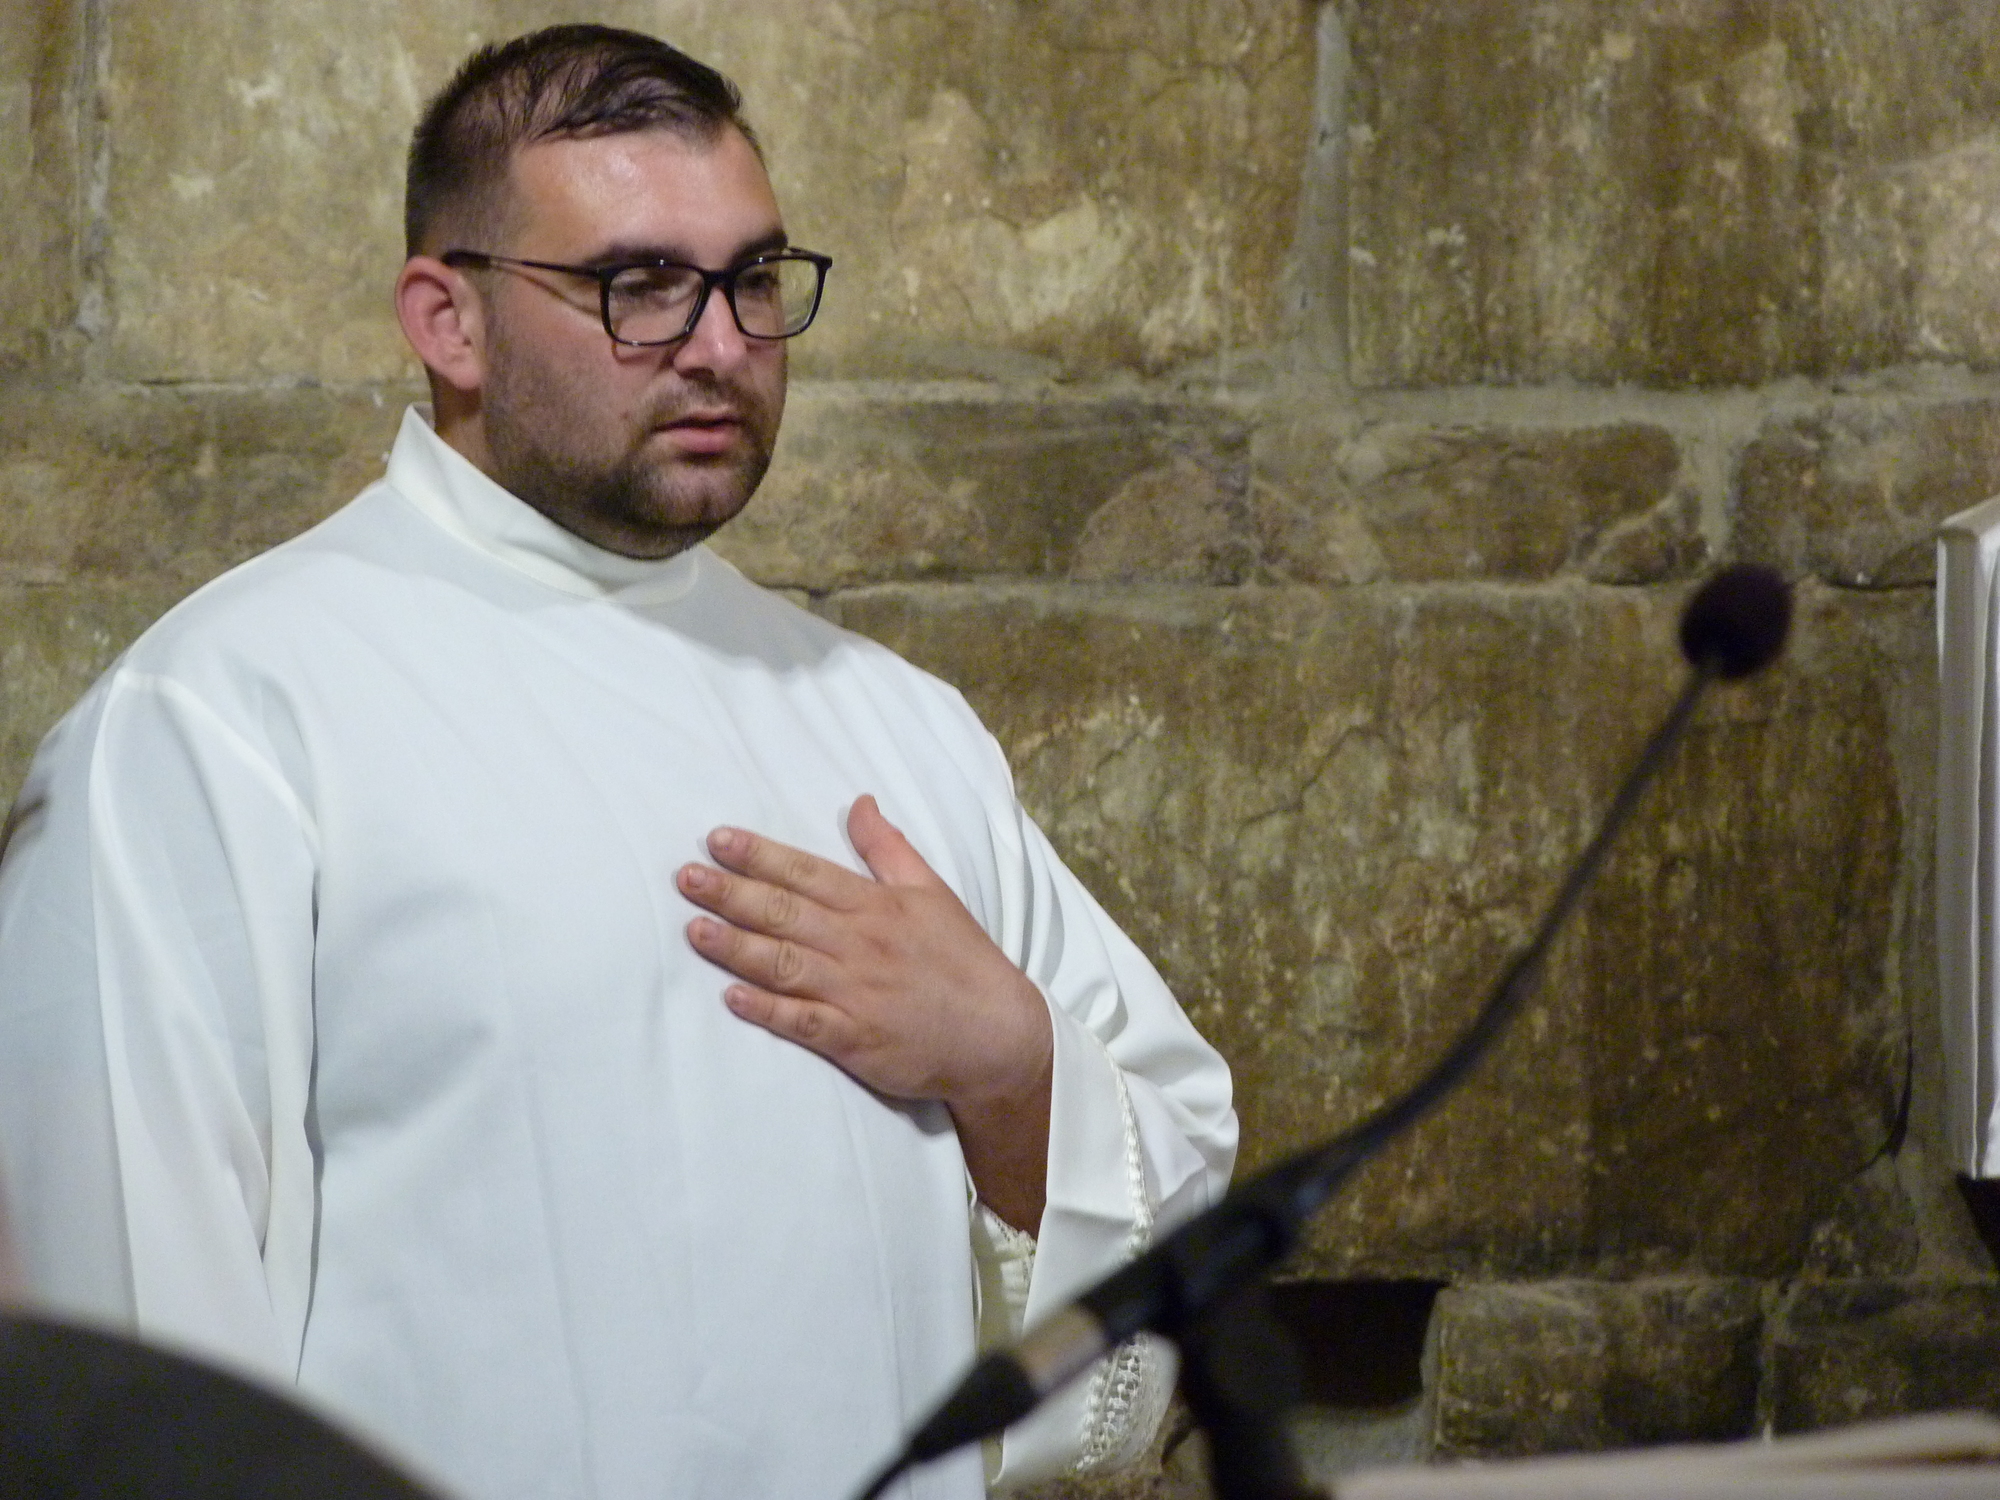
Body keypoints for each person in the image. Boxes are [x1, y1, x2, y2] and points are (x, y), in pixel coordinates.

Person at [0, 24, 1235, 1500]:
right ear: (448, 321)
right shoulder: (223, 721)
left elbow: (1175, 1200)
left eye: (754, 279)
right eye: (639, 284)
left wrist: (1011, 1065)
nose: (721, 346)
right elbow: (133, 1359)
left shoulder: (893, 723)